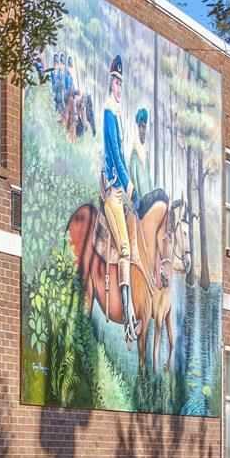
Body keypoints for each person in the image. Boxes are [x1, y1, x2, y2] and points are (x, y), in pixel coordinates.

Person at [98, 54, 139, 339]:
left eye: (121, 83)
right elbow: (113, 150)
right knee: (125, 249)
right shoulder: (109, 112)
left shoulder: (119, 113)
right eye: (115, 81)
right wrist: (126, 182)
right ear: (110, 83)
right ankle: (127, 316)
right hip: (112, 187)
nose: (118, 87)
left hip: (121, 188)